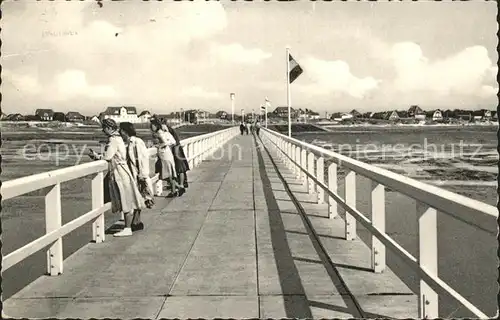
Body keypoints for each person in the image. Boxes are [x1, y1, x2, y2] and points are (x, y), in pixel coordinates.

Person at [88, 118, 144, 237]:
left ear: (108, 128)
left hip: (120, 172)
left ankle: (127, 228)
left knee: (125, 199)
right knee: (127, 198)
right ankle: (128, 226)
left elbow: (108, 157)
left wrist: (96, 156)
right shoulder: (119, 138)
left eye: (104, 129)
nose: (103, 132)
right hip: (123, 170)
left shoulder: (113, 140)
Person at [119, 122, 155, 232]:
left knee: (138, 197)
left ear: (125, 131)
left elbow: (142, 158)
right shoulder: (129, 143)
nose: (120, 133)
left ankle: (136, 222)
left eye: (121, 131)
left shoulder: (136, 142)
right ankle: (136, 222)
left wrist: (142, 175)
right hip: (135, 174)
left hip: (139, 174)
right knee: (137, 198)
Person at [150, 117, 179, 197]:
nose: (152, 127)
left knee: (168, 174)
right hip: (167, 153)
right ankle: (175, 189)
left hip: (164, 154)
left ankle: (176, 189)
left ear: (156, 125)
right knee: (169, 173)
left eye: (153, 125)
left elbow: (165, 142)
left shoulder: (159, 132)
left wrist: (158, 146)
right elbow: (173, 142)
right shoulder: (163, 132)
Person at [165, 123, 190, 193]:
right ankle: (181, 184)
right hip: (176, 149)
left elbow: (173, 142)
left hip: (176, 150)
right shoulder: (170, 131)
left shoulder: (168, 132)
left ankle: (181, 185)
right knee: (179, 168)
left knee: (179, 168)